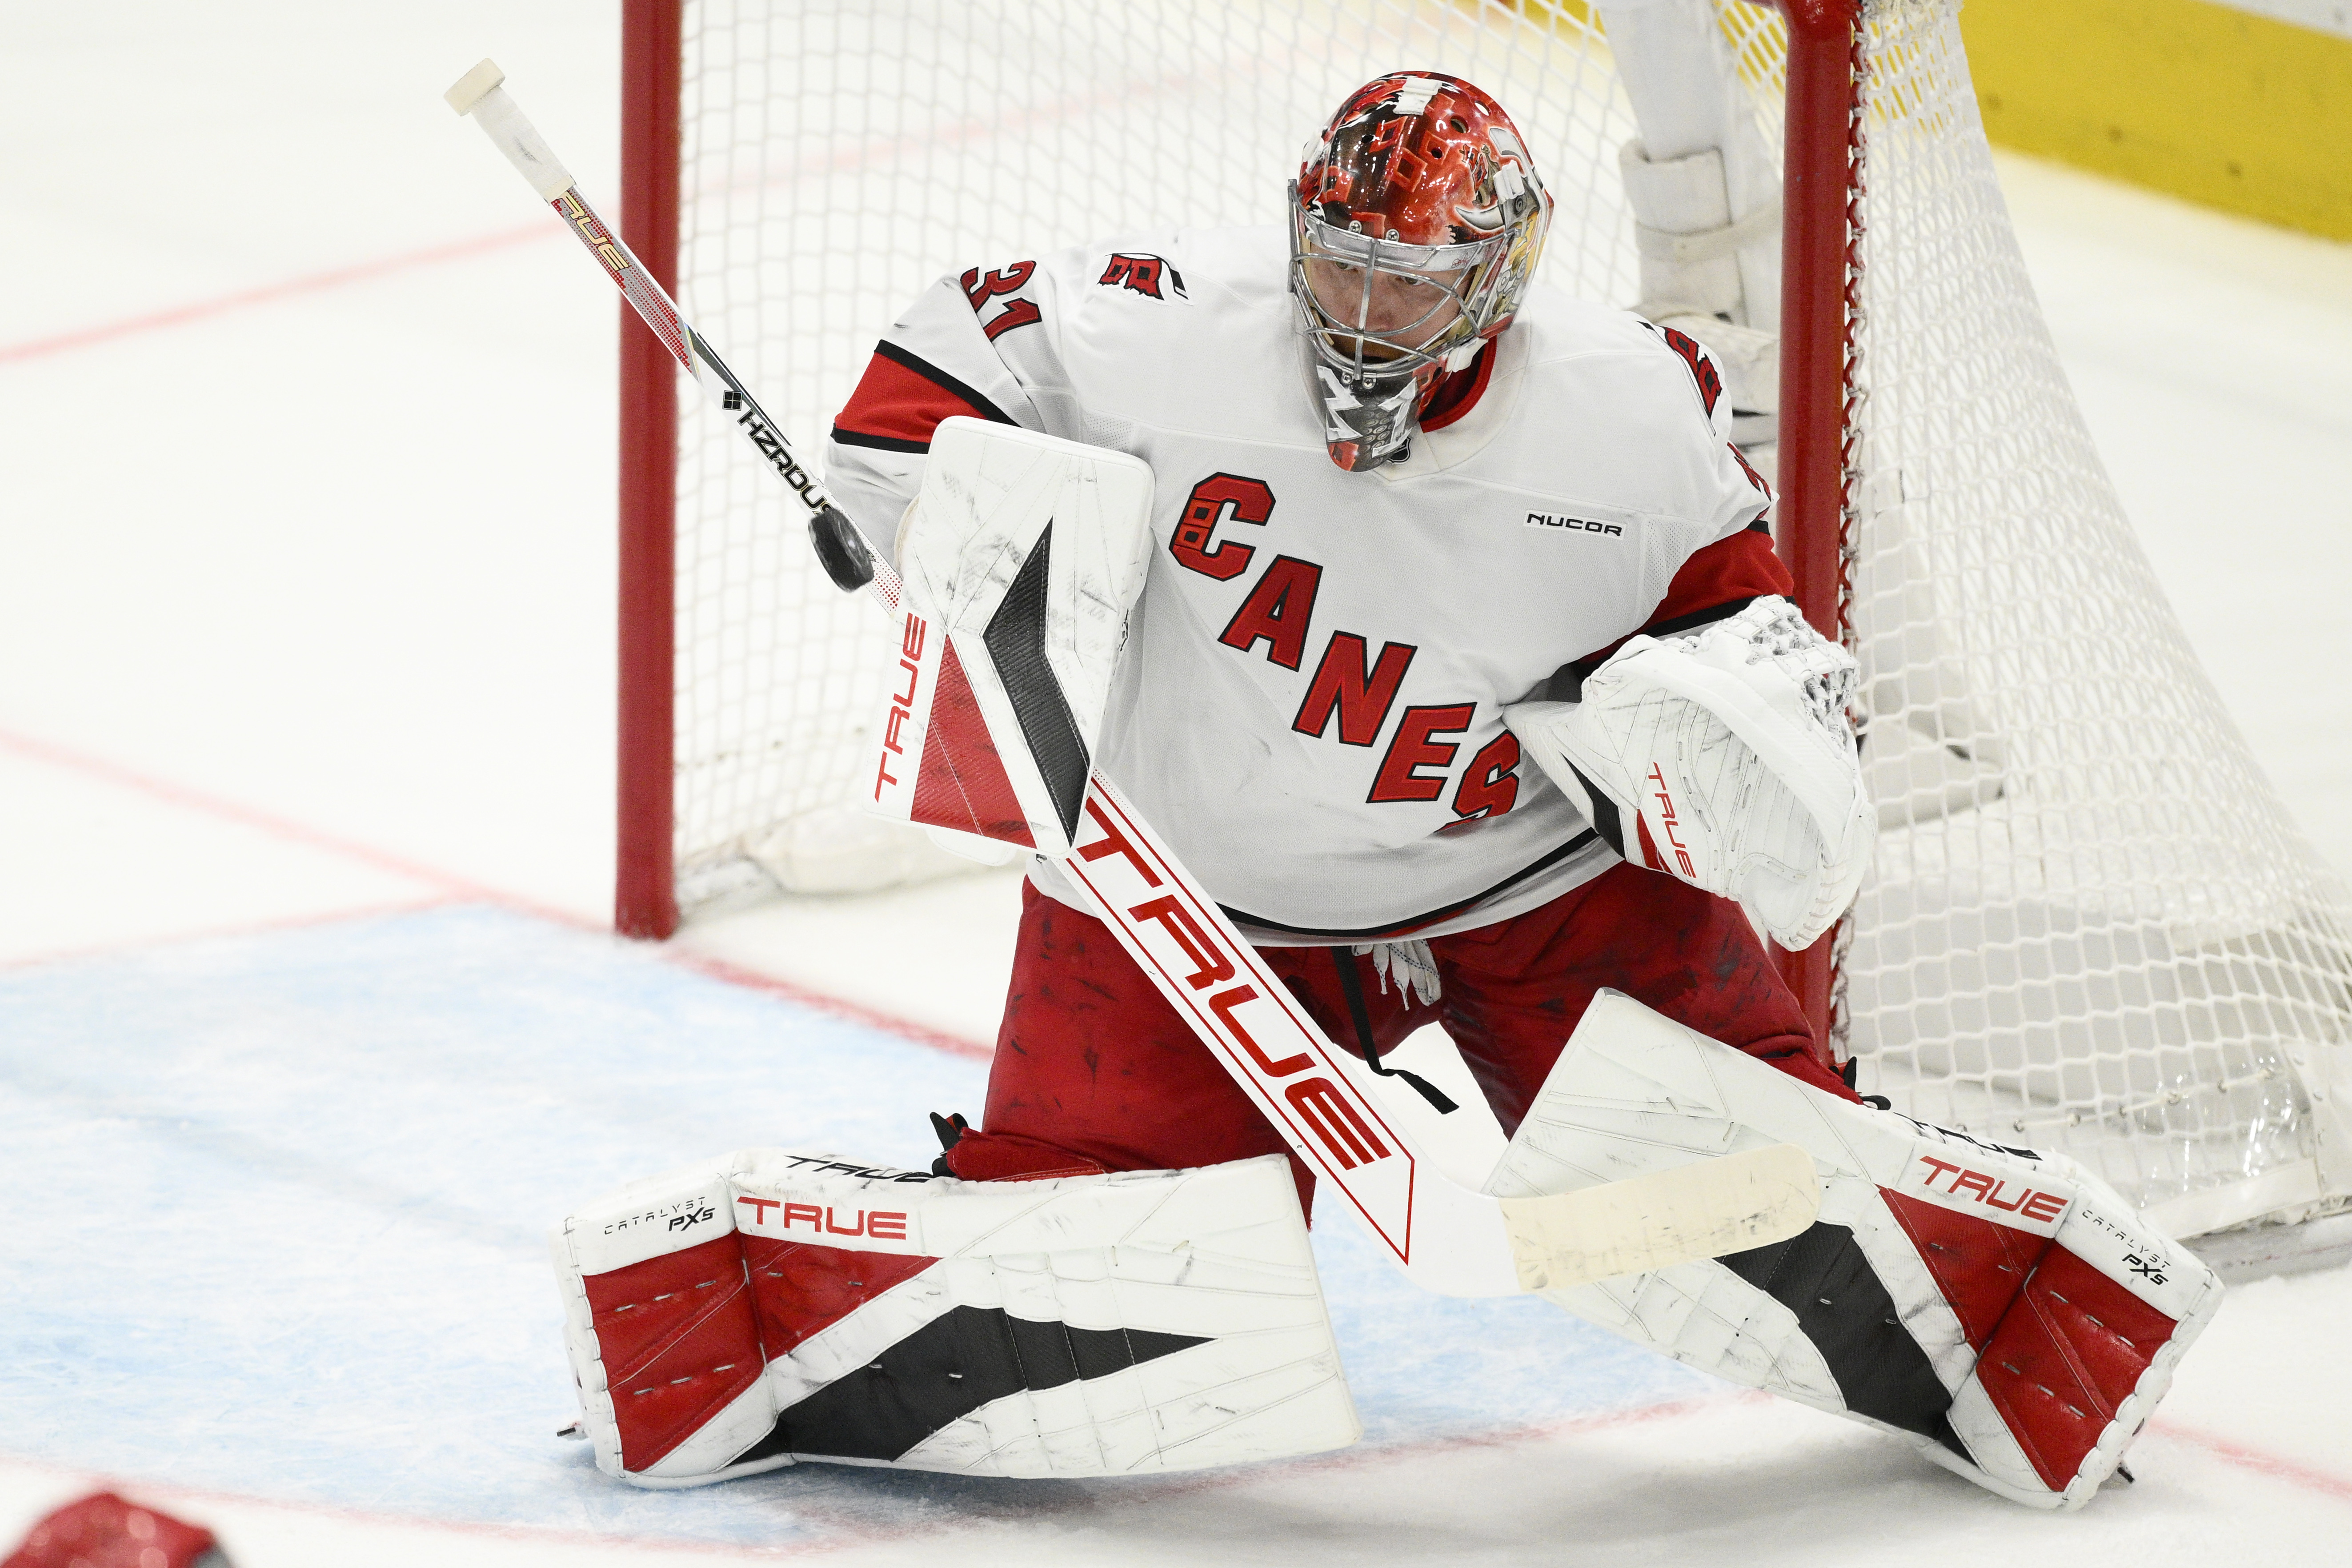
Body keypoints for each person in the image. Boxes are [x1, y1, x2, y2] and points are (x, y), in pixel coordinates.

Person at [823, 70, 1851, 1208]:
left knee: (1777, 1192)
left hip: (1529, 880)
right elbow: (933, 367)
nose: (1362, 311)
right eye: (1341, 263)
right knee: (1091, 1257)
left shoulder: (1629, 411)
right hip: (1184, 900)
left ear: (1498, 278)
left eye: (1410, 284)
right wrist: (931, 527)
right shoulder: (1163, 325)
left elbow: (1734, 620)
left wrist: (1755, 737)